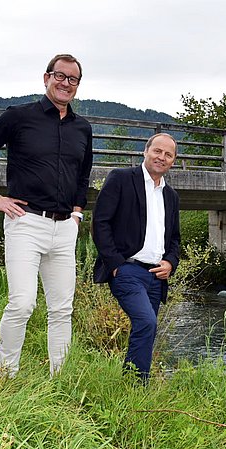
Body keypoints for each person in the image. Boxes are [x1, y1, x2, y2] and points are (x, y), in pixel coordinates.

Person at [0, 54, 93, 377]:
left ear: (78, 85)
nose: (66, 83)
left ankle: (59, 378)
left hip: (65, 227)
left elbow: (83, 175)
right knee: (22, 303)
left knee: (62, 309)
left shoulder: (83, 128)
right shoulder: (19, 117)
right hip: (25, 222)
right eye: (60, 76)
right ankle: (6, 376)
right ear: (46, 78)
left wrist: (78, 214)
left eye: (73, 79)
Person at [92, 133, 181, 383]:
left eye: (168, 154)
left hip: (156, 276)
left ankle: (134, 384)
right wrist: (116, 265)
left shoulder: (171, 196)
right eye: (157, 151)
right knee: (146, 322)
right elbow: (100, 222)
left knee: (146, 330)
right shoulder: (121, 179)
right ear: (146, 151)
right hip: (127, 270)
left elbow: (174, 238)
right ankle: (136, 384)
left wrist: (170, 263)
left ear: (173, 161)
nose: (161, 157)